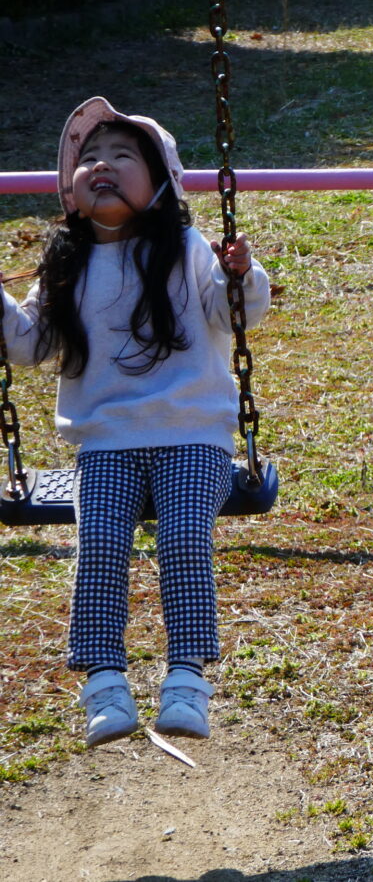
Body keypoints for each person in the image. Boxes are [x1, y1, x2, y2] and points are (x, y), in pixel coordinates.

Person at [0, 97, 271, 746]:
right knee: (99, 546)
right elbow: (28, 345)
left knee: (183, 538)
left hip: (193, 435)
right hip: (106, 443)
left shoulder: (185, 249)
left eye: (122, 156)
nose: (102, 165)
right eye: (89, 157)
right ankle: (104, 686)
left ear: (162, 183)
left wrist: (241, 273)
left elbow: (234, 311)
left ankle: (187, 682)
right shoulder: (65, 266)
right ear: (70, 188)